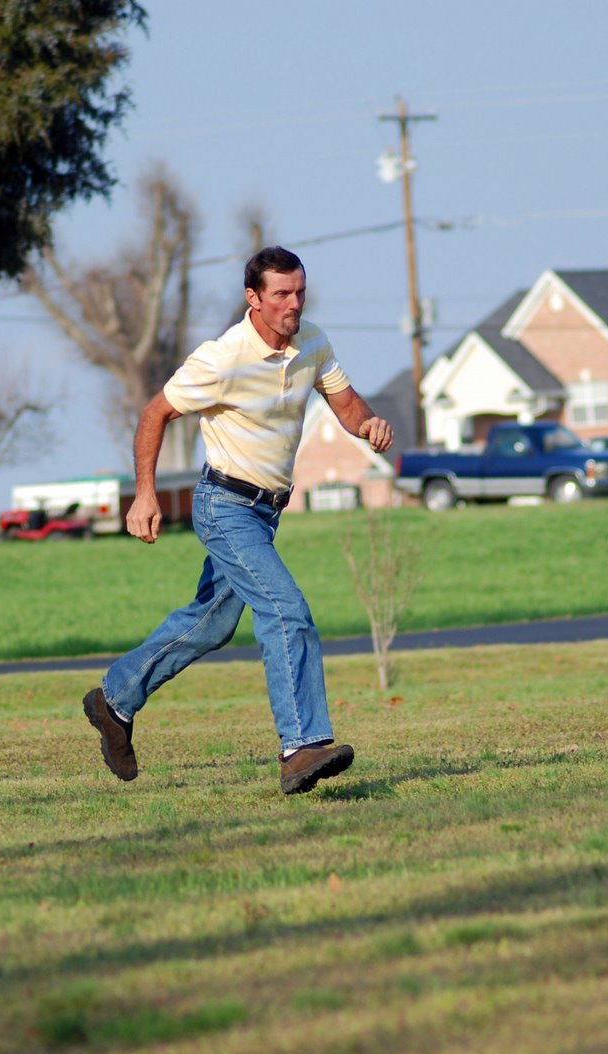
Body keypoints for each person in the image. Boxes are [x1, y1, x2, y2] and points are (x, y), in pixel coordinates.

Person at [82, 246, 393, 795]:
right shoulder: (222, 357)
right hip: (224, 505)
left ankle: (115, 700)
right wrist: (145, 494)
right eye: (282, 294)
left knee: (211, 623)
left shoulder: (313, 343)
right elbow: (155, 413)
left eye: (299, 292)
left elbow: (346, 406)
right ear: (254, 298)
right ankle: (301, 747)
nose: (294, 303)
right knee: (285, 609)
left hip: (267, 512)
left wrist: (368, 424)